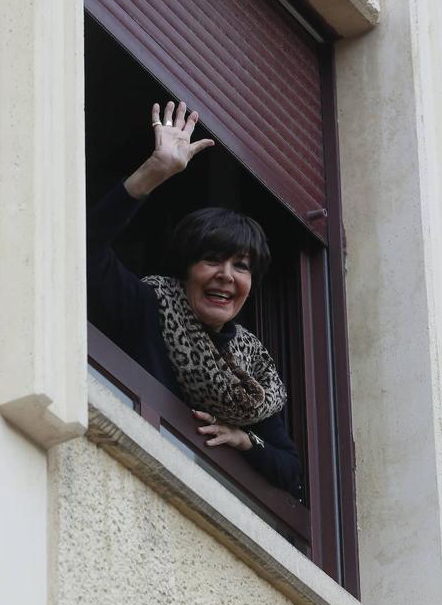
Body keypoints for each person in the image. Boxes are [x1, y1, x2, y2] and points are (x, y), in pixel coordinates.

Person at [87, 100, 301, 498]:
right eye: (212, 260)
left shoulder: (253, 367)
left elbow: (291, 472)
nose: (226, 275)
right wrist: (153, 173)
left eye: (241, 266)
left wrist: (245, 441)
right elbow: (83, 252)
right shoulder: (149, 306)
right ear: (186, 269)